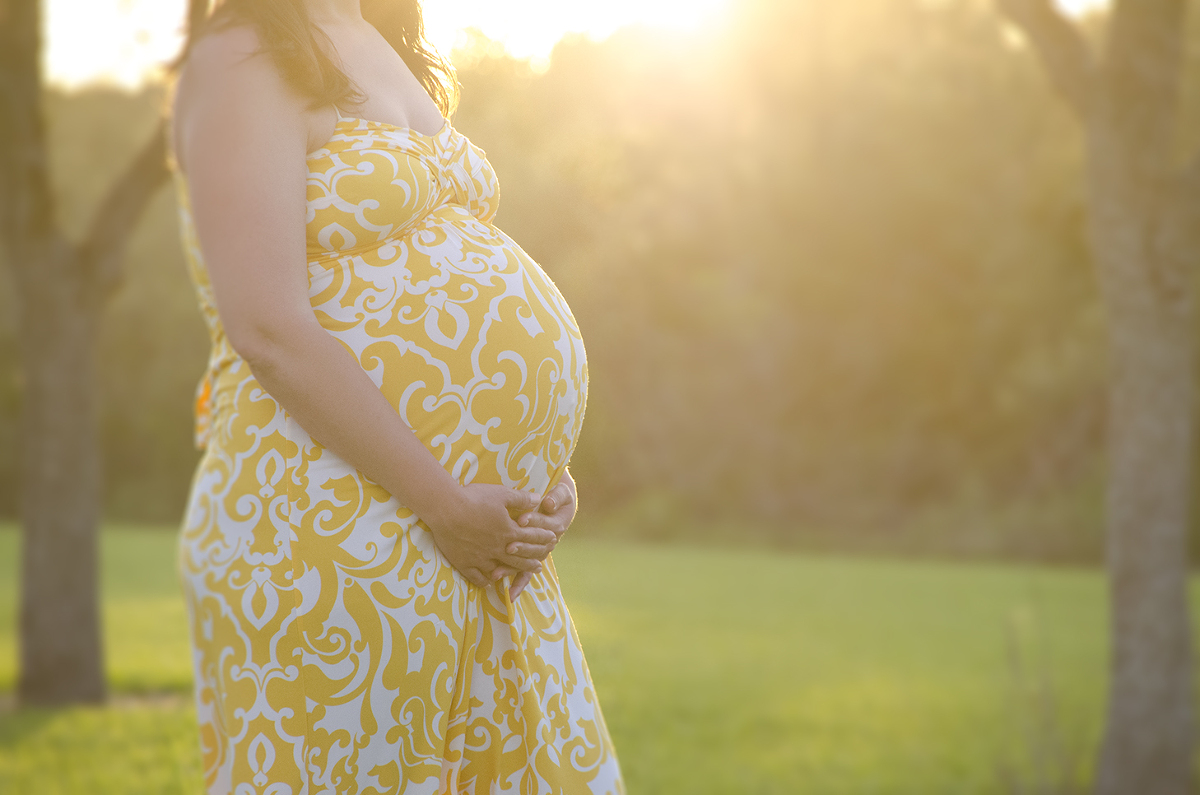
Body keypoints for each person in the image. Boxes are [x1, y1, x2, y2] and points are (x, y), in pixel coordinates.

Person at [167, 0, 624, 791]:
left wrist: (542, 474)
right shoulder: (242, 53)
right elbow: (265, 324)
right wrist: (441, 498)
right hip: (332, 527)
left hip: (470, 544)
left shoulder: (377, 40)